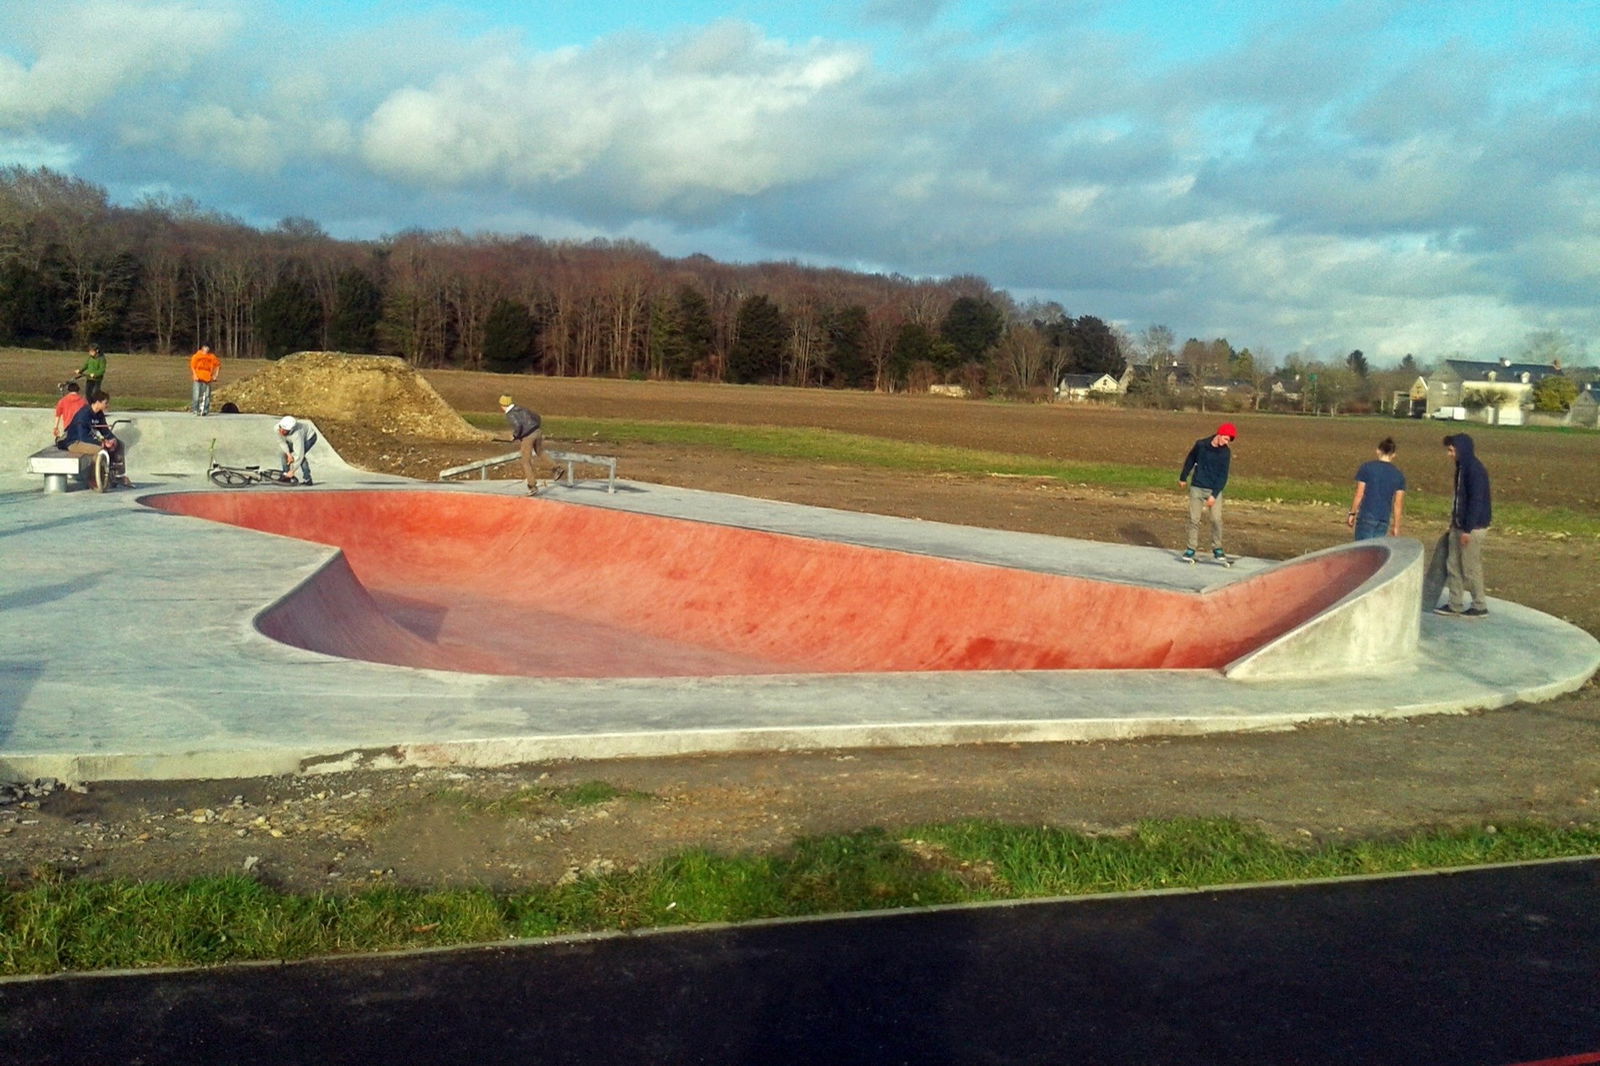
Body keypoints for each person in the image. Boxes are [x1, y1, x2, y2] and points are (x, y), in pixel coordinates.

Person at [1435, 433, 1491, 619]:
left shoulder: (1474, 470)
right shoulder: (1461, 468)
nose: (1449, 454)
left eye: (1451, 450)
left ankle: (1479, 605)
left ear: (1461, 449)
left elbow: (1476, 500)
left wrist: (1467, 529)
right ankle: (1455, 603)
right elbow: (1459, 500)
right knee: (1453, 565)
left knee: (1470, 567)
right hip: (1458, 525)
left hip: (1472, 528)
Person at [1178, 422, 1236, 561]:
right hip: (1197, 487)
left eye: (1229, 440)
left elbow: (1223, 476)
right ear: (1219, 434)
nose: (1226, 442)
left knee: (1216, 520)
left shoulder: (1225, 453)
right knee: (1194, 519)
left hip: (1213, 489)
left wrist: (1214, 495)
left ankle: (1217, 548)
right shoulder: (1201, 445)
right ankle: (1191, 549)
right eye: (1226, 439)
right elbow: (1190, 459)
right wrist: (1183, 477)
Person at [59, 391, 132, 488]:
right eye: (105, 403)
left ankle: (119, 475)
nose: (107, 405)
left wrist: (112, 439)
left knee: (119, 444)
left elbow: (105, 430)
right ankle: (93, 478)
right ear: (98, 402)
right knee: (100, 450)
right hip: (75, 442)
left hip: (86, 440)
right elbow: (83, 437)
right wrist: (102, 443)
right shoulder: (84, 415)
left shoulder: (99, 414)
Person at [500, 394, 561, 495]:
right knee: (540, 451)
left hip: (528, 437)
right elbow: (537, 416)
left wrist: (515, 436)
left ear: (503, 404)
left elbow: (518, 425)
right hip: (537, 431)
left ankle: (532, 486)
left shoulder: (510, 414)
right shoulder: (521, 408)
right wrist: (535, 427)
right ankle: (556, 468)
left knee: (526, 461)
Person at [1348, 437, 1406, 540]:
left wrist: (1352, 513)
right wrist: (1396, 526)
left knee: (1362, 552)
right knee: (1374, 554)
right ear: (1393, 455)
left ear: (1378, 451)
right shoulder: (1398, 475)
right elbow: (1398, 504)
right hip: (1383, 520)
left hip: (1367, 516)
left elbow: (1359, 494)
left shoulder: (1366, 468)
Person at [276, 415, 318, 485]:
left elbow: (299, 454)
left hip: (309, 438)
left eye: (284, 431)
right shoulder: (277, 428)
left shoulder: (297, 435)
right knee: (283, 453)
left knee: (301, 457)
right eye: (281, 429)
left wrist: (293, 470)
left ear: (291, 430)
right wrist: (288, 454)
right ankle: (286, 475)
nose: (281, 432)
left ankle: (307, 479)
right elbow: (281, 442)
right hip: (292, 439)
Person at [189, 344, 221, 416]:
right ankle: (195, 410)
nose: (207, 349)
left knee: (207, 396)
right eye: (205, 347)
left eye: (208, 347)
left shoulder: (211, 357)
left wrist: (215, 375)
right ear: (202, 348)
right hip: (198, 378)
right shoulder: (197, 356)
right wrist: (195, 375)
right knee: (196, 395)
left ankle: (205, 410)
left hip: (207, 378)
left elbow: (218, 365)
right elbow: (192, 366)